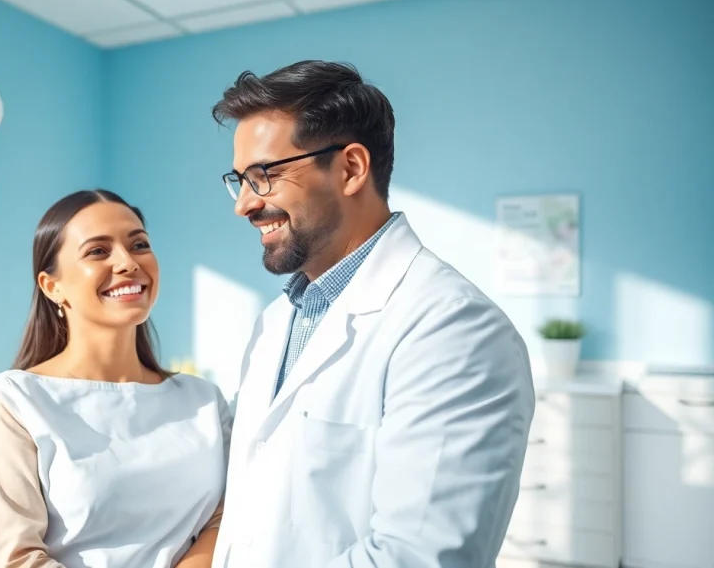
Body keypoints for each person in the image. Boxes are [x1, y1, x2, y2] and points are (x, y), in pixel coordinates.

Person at [209, 60, 536, 568]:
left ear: (351, 168)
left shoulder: (454, 329)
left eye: (265, 176)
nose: (244, 205)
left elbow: (422, 555)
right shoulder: (276, 322)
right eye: (240, 180)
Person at [0, 189, 230, 568]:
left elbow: (228, 518)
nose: (128, 262)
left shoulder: (204, 400)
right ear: (51, 286)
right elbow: (19, 559)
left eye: (139, 244)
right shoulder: (16, 400)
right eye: (98, 251)